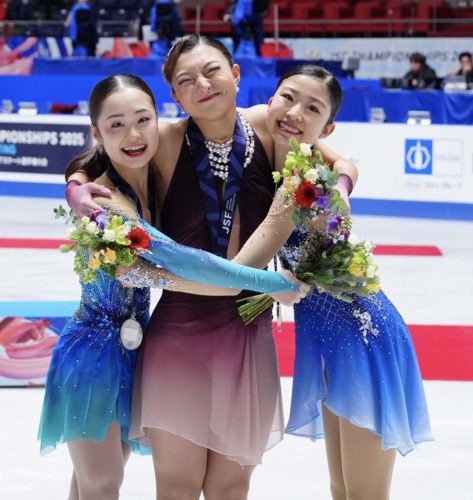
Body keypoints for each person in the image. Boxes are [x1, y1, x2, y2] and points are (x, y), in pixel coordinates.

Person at [66, 35, 353, 500]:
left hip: (249, 337)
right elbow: (106, 157)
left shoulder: (265, 125)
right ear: (175, 97)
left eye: (212, 71)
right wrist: (76, 186)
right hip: (180, 334)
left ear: (236, 75)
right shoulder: (164, 140)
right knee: (177, 487)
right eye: (186, 80)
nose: (202, 84)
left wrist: (343, 179)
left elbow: (334, 155)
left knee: (230, 487)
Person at [234, 64, 433, 500]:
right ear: (270, 99)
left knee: (363, 493)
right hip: (330, 337)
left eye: (313, 108)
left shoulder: (306, 183)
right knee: (342, 488)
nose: (295, 112)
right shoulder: (280, 146)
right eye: (288, 98)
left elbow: (246, 264)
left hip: (363, 336)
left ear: (327, 127)